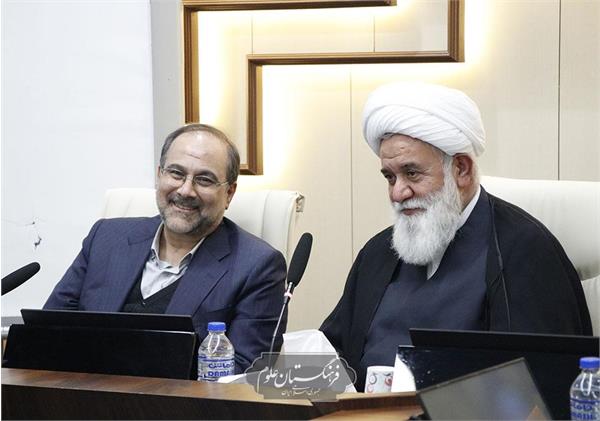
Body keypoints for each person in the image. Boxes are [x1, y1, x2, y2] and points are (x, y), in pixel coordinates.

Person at [320, 82, 592, 391]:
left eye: (412, 173)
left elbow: (538, 386)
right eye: (390, 177)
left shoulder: (525, 251)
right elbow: (332, 352)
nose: (398, 193)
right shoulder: (378, 252)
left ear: (461, 169)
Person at [44, 123, 287, 373]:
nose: (186, 190)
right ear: (159, 175)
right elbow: (46, 334)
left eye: (204, 180)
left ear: (229, 193)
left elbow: (245, 372)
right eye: (176, 173)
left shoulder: (258, 266)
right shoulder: (105, 238)